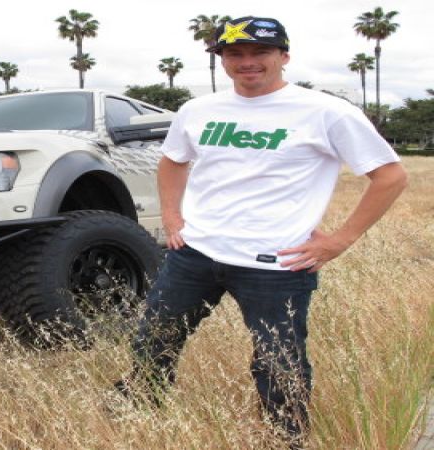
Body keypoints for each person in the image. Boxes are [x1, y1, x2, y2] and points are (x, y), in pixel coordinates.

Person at [117, 15, 408, 445]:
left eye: (260, 52)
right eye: (235, 53)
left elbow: (390, 176)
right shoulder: (198, 111)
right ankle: (139, 409)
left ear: (283, 56)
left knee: (279, 363)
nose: (247, 62)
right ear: (221, 60)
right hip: (195, 253)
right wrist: (173, 218)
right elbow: (172, 160)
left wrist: (339, 240)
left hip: (276, 263)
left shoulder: (326, 112)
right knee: (154, 339)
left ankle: (284, 436)